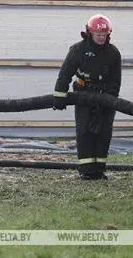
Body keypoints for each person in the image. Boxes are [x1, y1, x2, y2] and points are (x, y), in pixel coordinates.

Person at [52, 14, 122, 180]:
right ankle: (87, 171)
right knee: (84, 131)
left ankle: (99, 169)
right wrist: (59, 95)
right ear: (89, 33)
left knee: (104, 132)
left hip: (105, 96)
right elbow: (65, 74)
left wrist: (109, 101)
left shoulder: (113, 53)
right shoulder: (78, 50)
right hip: (82, 95)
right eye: (97, 35)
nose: (100, 38)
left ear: (108, 35)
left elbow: (115, 81)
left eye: (104, 35)